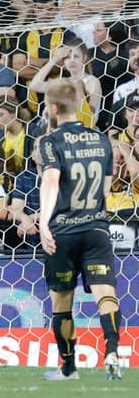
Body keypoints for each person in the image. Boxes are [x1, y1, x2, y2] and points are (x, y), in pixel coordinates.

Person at [38, 80, 123, 381]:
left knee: (62, 302)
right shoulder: (101, 139)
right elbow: (105, 187)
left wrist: (44, 222)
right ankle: (112, 351)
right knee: (106, 295)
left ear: (53, 107)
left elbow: (50, 181)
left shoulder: (50, 141)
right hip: (97, 229)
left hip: (64, 232)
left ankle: (69, 368)